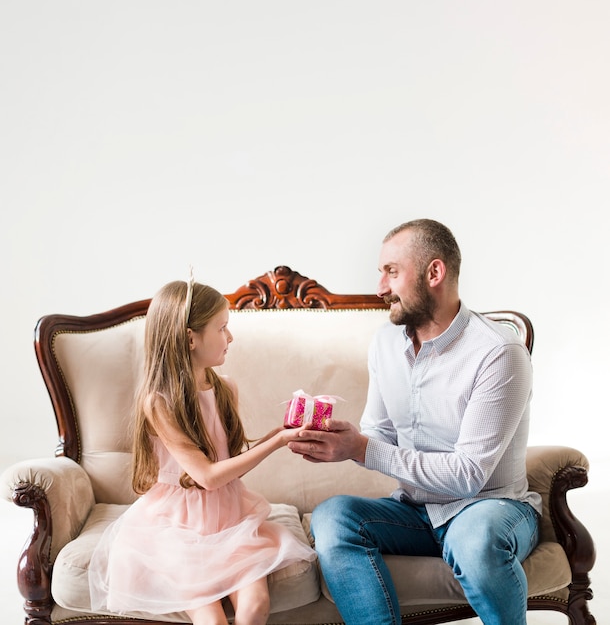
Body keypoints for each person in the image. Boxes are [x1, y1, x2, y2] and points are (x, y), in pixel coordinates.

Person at [288, 219, 542, 625]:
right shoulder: (386, 343)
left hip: (489, 506)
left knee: (473, 540)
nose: (380, 288)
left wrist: (363, 448)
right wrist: (338, 442)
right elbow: (380, 433)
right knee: (332, 517)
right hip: (416, 510)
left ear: (434, 273)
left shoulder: (498, 353)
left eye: (391, 271)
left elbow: (467, 477)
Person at [88, 278, 316, 625]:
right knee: (211, 620)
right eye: (222, 328)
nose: (231, 337)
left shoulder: (225, 388)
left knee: (255, 607)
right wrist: (277, 443)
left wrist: (279, 433)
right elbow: (207, 477)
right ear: (190, 337)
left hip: (229, 516)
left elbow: (228, 468)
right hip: (178, 527)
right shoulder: (159, 403)